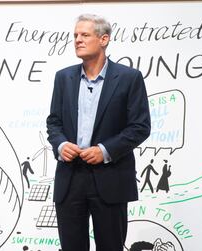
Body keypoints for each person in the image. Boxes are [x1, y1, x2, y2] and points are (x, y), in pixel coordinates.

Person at [46, 14, 151, 251]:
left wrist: (105, 151)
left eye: (84, 35)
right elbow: (54, 122)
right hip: (70, 177)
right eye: (75, 35)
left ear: (104, 39)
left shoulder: (129, 78)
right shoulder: (63, 77)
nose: (77, 40)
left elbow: (140, 126)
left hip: (110, 177)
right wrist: (61, 145)